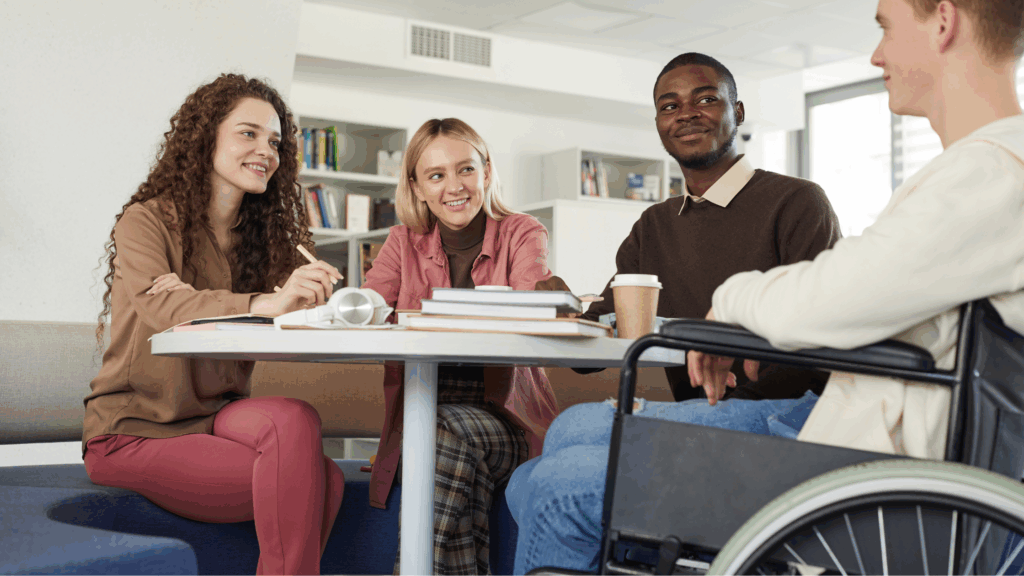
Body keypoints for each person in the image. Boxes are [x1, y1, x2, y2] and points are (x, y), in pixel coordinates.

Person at [509, 0, 1024, 572]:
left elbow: (833, 296)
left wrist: (729, 306)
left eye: (885, 27)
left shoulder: (991, 176)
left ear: (944, 22)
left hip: (872, 472)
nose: (876, 54)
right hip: (867, 443)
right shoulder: (977, 172)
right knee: (543, 467)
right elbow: (856, 289)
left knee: (554, 485)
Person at [84, 73, 346, 575]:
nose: (265, 150)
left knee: (296, 420)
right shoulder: (147, 221)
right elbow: (165, 311)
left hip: (214, 418)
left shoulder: (264, 243)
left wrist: (312, 305)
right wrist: (263, 303)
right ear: (206, 139)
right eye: (247, 133)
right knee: (321, 483)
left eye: (274, 141)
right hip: (136, 429)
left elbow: (249, 314)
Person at [544, 52, 840, 404]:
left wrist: (722, 416)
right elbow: (597, 343)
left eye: (706, 99)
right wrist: (557, 311)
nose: (686, 114)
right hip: (700, 418)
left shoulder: (797, 202)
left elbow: (822, 339)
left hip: (785, 410)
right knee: (571, 429)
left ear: (738, 112)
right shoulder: (654, 226)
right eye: (669, 107)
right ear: (658, 123)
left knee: (576, 433)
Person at [361, 117, 560, 575]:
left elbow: (532, 298)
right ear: (416, 187)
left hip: (506, 424)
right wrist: (354, 304)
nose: (455, 186)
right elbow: (374, 299)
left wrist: (545, 295)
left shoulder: (522, 232)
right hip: (423, 425)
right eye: (436, 175)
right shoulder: (401, 241)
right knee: (445, 448)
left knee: (440, 433)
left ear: (486, 172)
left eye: (466, 169)